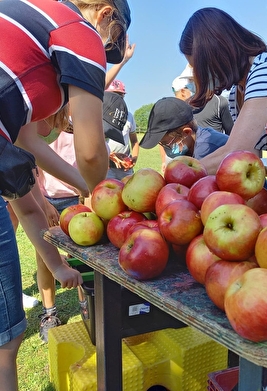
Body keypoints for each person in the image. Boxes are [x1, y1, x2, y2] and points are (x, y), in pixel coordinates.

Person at [0, 0, 131, 388]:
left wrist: (57, 266)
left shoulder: (27, 22)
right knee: (6, 341)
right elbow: (91, 151)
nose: (104, 52)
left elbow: (27, 159)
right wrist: (107, 198)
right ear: (105, 14)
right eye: (113, 43)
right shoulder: (80, 30)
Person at [178, 8, 267, 176]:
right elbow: (248, 159)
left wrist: (180, 175)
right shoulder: (238, 92)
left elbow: (236, 152)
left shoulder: (263, 70)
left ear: (216, 54)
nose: (199, 76)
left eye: (199, 68)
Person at [139, 97, 267, 194]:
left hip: (255, 198)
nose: (166, 148)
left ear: (186, 132)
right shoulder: (193, 143)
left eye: (166, 143)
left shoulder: (206, 148)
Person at [104, 80, 139, 180]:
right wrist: (109, 156)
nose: (117, 99)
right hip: (107, 166)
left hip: (125, 166)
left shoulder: (129, 117)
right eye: (113, 95)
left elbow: (134, 141)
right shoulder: (101, 116)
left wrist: (134, 159)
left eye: (120, 96)